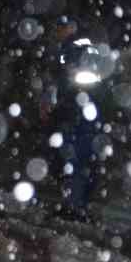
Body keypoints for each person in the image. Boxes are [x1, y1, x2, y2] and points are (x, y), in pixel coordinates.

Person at [42, 17, 110, 221]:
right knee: (76, 159)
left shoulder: (80, 47)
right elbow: (58, 80)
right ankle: (76, 203)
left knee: (76, 158)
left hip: (80, 114)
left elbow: (82, 81)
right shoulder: (67, 49)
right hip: (77, 112)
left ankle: (76, 206)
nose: (58, 32)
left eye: (61, 28)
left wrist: (69, 100)